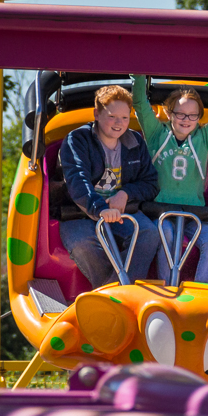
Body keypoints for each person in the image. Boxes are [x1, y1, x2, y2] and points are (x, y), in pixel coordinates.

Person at [132, 75, 208, 284]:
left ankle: (201, 289)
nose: (186, 119)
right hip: (161, 211)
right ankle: (167, 286)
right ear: (169, 113)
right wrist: (139, 73)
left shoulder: (205, 136)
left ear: (199, 117)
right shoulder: (156, 133)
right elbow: (139, 102)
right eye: (180, 114)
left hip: (194, 213)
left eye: (193, 115)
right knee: (167, 234)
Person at [58, 84, 160, 288]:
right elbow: (78, 179)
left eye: (124, 117)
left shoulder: (134, 141)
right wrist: (100, 208)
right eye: (112, 116)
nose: (119, 123)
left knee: (149, 233)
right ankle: (117, 293)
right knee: (82, 244)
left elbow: (150, 182)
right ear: (97, 113)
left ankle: (115, 296)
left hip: (122, 210)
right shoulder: (78, 140)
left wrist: (125, 193)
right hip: (80, 211)